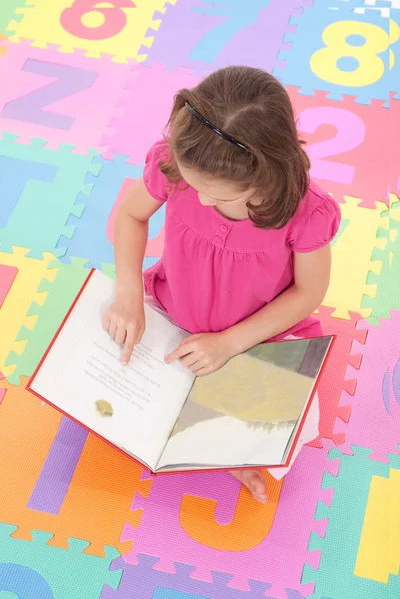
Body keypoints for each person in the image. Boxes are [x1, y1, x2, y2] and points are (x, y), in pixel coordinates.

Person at [102, 66, 341, 503]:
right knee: (110, 357)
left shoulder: (308, 212)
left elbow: (308, 294)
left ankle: (225, 452)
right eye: (194, 187)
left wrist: (229, 344)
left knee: (288, 421)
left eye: (219, 196)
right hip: (172, 307)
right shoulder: (175, 164)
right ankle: (207, 441)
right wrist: (128, 294)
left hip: (254, 333)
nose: (203, 201)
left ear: (267, 174)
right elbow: (132, 216)